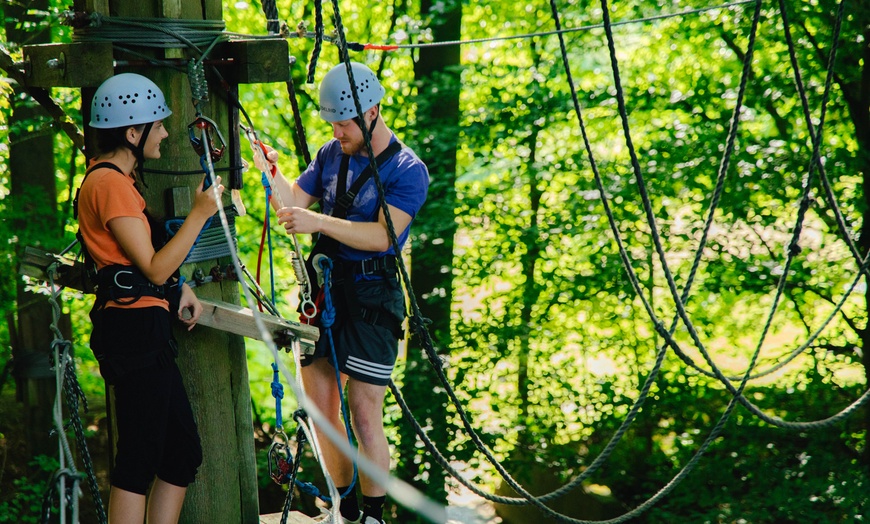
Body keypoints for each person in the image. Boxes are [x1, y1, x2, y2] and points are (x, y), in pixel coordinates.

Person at [260, 61, 429, 524]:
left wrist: (317, 222)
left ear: (372, 111)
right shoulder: (330, 154)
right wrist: (268, 169)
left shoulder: (407, 169)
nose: (338, 131)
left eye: (344, 122)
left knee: (363, 410)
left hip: (373, 296)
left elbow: (383, 237)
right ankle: (345, 505)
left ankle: (373, 514)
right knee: (319, 408)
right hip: (325, 291)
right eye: (333, 122)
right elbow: (292, 204)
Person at [76, 72, 224, 524]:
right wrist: (200, 214)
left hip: (146, 325)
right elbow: (153, 265)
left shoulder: (121, 182)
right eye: (157, 125)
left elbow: (151, 268)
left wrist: (180, 287)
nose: (163, 133)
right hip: (133, 330)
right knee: (139, 458)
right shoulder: (109, 185)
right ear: (133, 132)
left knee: (181, 452)